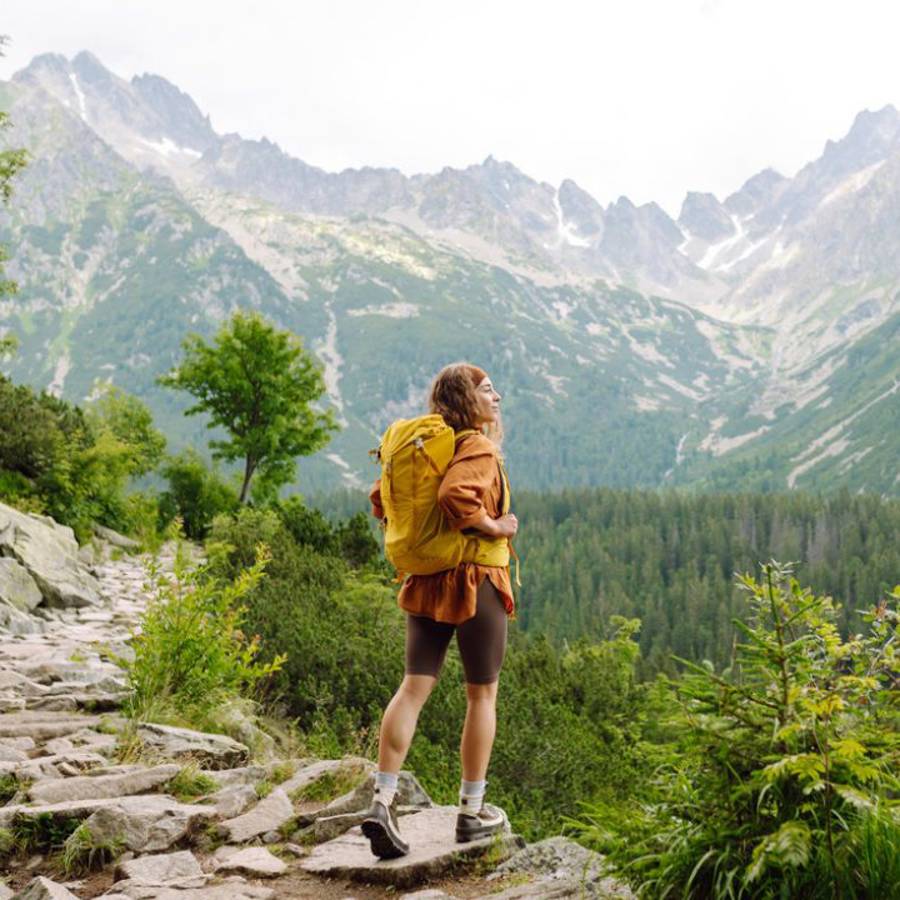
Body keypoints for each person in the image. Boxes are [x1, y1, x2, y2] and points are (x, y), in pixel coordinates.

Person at [362, 362, 518, 859]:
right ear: (468, 401)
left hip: (427, 580)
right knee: (481, 696)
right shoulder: (476, 445)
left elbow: (380, 501)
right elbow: (456, 495)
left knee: (413, 688)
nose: (496, 398)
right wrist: (496, 526)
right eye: (488, 391)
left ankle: (382, 798)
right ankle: (472, 813)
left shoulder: (421, 447)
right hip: (477, 581)